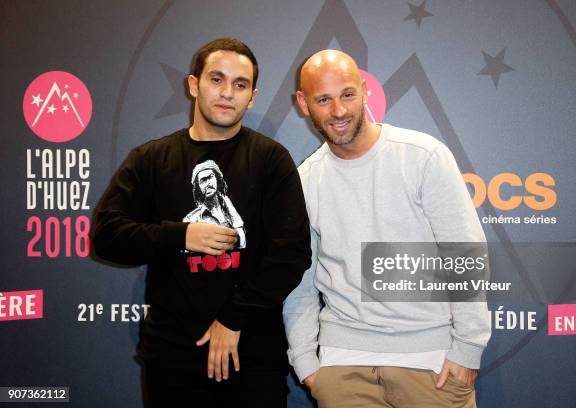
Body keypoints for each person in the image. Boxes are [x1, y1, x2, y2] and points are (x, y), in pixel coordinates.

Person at [92, 38, 311, 407]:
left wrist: (232, 319)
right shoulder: (151, 159)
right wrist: (182, 235)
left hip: (253, 357)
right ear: (194, 85)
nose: (227, 93)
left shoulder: (271, 159)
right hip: (173, 361)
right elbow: (107, 237)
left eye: (240, 85)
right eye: (217, 79)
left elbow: (291, 255)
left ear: (252, 96)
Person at [283, 49, 490, 408]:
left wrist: (468, 349)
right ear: (303, 104)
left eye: (347, 94)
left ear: (364, 90)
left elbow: (464, 253)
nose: (339, 111)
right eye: (323, 100)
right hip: (342, 369)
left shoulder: (423, 156)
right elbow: (300, 280)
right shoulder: (305, 181)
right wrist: (305, 362)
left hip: (432, 364)